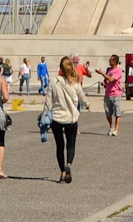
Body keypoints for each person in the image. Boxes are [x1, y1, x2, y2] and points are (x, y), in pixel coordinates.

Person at [47, 55, 87, 184]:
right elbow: (82, 97)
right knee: (71, 144)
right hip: (71, 118)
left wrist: (44, 114)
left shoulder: (54, 81)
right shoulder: (75, 82)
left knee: (59, 145)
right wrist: (87, 105)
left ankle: (62, 172)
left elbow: (48, 100)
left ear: (60, 68)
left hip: (57, 118)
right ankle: (69, 164)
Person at [102, 55, 125, 135]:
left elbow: (111, 79)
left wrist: (102, 73)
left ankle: (116, 129)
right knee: (107, 112)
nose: (109, 62)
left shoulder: (118, 70)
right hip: (108, 93)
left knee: (117, 112)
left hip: (116, 94)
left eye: (111, 60)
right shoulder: (108, 69)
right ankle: (111, 126)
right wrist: (104, 82)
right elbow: (106, 79)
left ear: (115, 62)